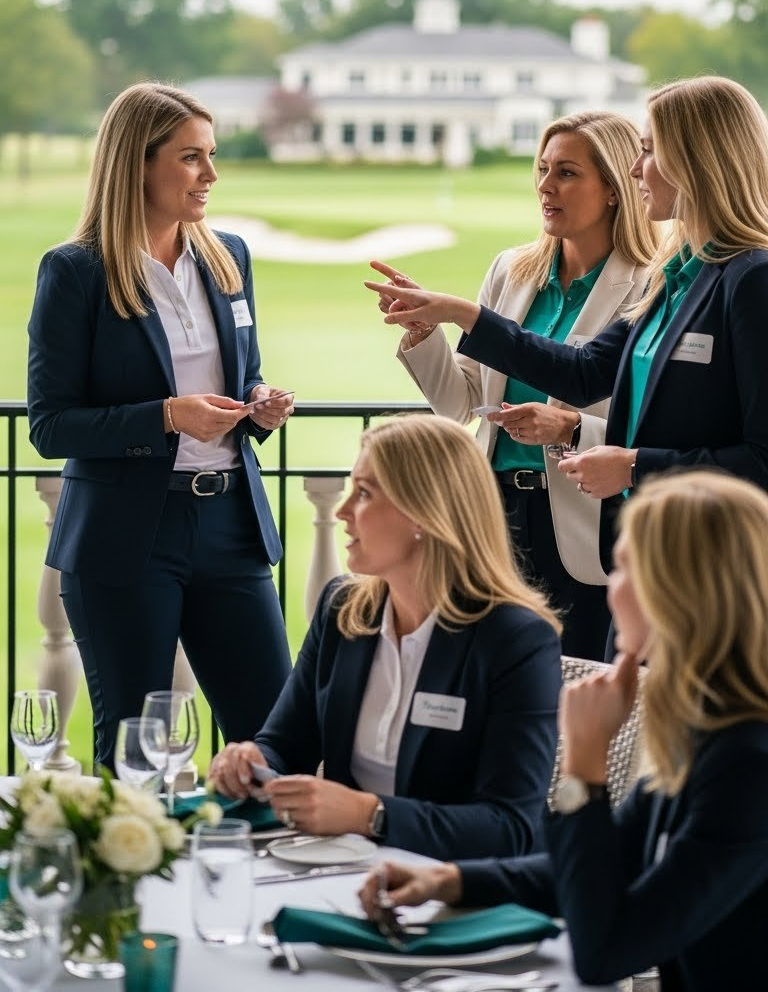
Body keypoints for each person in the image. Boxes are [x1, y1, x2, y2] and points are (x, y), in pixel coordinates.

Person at [360, 469, 768, 991]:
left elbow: (606, 953)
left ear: (677, 594)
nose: (609, 590)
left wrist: (585, 764)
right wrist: (449, 880)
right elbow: (603, 866)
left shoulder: (748, 766)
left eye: (622, 569)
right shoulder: (708, 731)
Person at [366, 76, 768, 570]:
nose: (637, 169)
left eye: (648, 152)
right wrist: (452, 315)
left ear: (695, 160)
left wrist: (630, 464)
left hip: (710, 559)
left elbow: (759, 458)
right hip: (646, 550)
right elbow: (581, 373)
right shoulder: (679, 274)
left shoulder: (750, 278)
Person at [27, 82, 294, 771]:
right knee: (134, 754)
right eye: (190, 157)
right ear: (137, 164)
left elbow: (246, 372)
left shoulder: (228, 256)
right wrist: (168, 416)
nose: (211, 174)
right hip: (124, 540)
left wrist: (258, 404)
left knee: (274, 740)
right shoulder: (75, 271)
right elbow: (52, 426)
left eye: (211, 155)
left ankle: (259, 880)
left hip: (231, 528)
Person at [207, 414, 562, 861]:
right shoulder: (345, 609)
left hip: (456, 894)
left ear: (425, 513)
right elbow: (283, 745)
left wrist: (370, 814)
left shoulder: (516, 640)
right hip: (343, 873)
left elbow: (511, 827)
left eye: (365, 492)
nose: (340, 511)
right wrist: (248, 761)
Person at [370, 111, 656, 659]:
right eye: (543, 169)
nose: (545, 187)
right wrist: (423, 332)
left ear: (616, 188)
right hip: (493, 516)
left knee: (576, 684)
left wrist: (573, 428)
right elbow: (460, 403)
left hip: (586, 524)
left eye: (567, 173)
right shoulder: (511, 271)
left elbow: (648, 416)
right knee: (489, 682)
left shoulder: (649, 283)